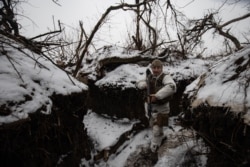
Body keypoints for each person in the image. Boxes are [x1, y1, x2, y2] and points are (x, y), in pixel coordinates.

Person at [136, 59, 176, 153]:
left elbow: (172, 87)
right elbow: (138, 83)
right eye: (154, 67)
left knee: (157, 128)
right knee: (152, 125)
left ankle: (155, 147)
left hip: (161, 108)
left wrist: (157, 96)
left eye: (158, 67)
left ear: (162, 68)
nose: (156, 70)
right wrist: (143, 85)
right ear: (152, 68)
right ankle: (160, 137)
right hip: (149, 107)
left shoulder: (165, 77)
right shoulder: (149, 76)